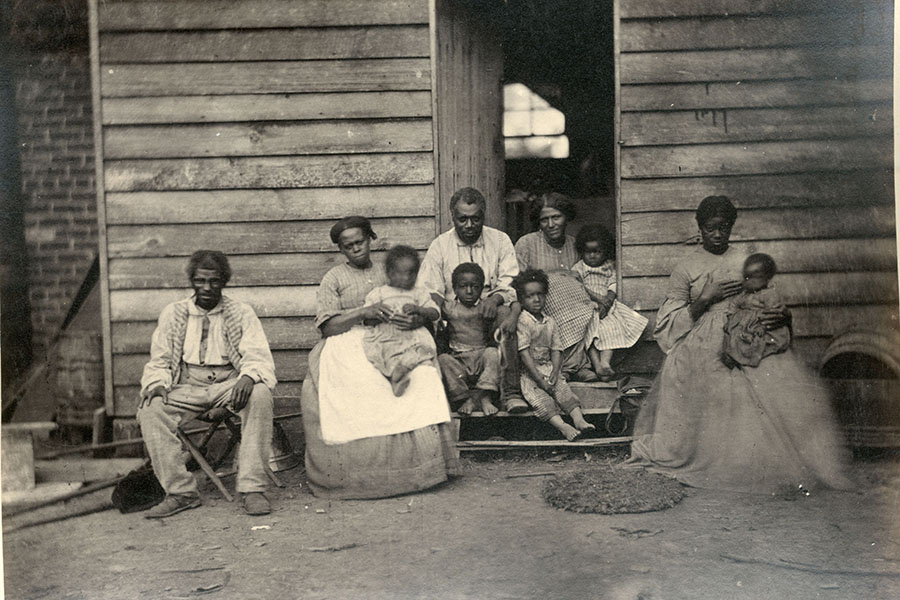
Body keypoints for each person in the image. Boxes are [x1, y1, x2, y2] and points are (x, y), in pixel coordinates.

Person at [627, 196, 852, 494]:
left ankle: (758, 463)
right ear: (699, 228)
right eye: (710, 228)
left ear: (732, 226)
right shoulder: (686, 267)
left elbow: (768, 295)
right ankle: (710, 456)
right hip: (701, 337)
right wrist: (706, 298)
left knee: (773, 380)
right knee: (706, 374)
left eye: (724, 228)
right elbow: (667, 326)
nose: (718, 234)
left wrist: (782, 315)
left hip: (747, 332)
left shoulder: (744, 257)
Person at [301, 216, 459, 499]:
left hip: (397, 337)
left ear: (370, 239)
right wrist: (362, 313)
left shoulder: (393, 269)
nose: (356, 249)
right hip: (348, 341)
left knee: (422, 376)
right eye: (348, 246)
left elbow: (422, 300)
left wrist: (415, 318)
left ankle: (422, 469)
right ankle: (359, 476)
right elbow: (327, 326)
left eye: (360, 242)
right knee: (362, 382)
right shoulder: (334, 278)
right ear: (341, 249)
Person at [137, 250, 277, 518]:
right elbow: (161, 359)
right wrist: (157, 384)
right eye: (200, 281)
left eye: (214, 281)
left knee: (259, 394)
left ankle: (252, 488)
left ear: (223, 281)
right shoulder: (174, 313)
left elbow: (258, 355)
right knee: (151, 408)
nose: (207, 288)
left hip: (228, 383)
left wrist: (248, 377)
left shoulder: (240, 313)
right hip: (188, 384)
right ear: (192, 281)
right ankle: (181, 492)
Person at [420, 187, 528, 413]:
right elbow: (431, 288)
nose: (469, 225)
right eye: (462, 219)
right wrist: (437, 312)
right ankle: (450, 398)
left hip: (489, 313)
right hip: (454, 316)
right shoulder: (440, 245)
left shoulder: (499, 240)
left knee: (504, 315)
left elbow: (510, 279)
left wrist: (496, 298)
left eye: (475, 218)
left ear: (483, 216)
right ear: (453, 216)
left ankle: (510, 393)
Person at [514, 192, 596, 381]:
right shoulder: (526, 244)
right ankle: (568, 368)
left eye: (556, 217)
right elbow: (520, 282)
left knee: (586, 309)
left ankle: (577, 366)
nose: (551, 225)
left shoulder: (575, 245)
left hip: (575, 303)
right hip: (541, 304)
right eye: (544, 220)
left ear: (566, 216)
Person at [514, 269, 596, 441]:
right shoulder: (523, 321)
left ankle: (579, 420)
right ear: (521, 299)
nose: (536, 299)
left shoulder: (550, 321)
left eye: (540, 294)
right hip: (530, 374)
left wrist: (555, 372)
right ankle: (563, 426)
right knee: (541, 399)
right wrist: (539, 379)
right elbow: (524, 353)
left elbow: (556, 349)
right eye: (530, 296)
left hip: (549, 368)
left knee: (563, 390)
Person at [572, 224, 648, 381]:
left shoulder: (608, 266)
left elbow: (614, 283)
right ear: (582, 251)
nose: (592, 256)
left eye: (597, 251)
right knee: (589, 333)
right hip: (587, 305)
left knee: (612, 329)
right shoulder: (579, 268)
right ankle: (597, 365)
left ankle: (605, 363)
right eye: (588, 252)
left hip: (607, 307)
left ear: (604, 251)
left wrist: (609, 298)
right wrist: (598, 299)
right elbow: (578, 287)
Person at [362, 245, 440, 396]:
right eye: (401, 273)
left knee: (425, 352)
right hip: (388, 336)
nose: (407, 278)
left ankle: (401, 372)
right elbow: (366, 319)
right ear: (390, 273)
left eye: (412, 273)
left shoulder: (419, 293)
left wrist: (419, 310)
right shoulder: (379, 293)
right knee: (386, 355)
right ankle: (395, 379)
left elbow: (435, 313)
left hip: (413, 336)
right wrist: (377, 315)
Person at [437, 263, 504, 416]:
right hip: (459, 359)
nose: (469, 291)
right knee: (443, 360)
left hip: (481, 357)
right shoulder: (449, 307)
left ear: (481, 288)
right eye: (463, 286)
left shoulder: (484, 307)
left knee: (493, 353)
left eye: (474, 287)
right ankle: (464, 399)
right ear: (454, 288)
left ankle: (485, 397)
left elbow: (511, 302)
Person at [721, 253, 791, 368]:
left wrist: (763, 327)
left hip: (760, 325)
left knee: (757, 342)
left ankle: (748, 358)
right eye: (746, 277)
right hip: (744, 325)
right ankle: (733, 356)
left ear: (767, 278)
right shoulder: (744, 294)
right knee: (734, 337)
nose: (747, 281)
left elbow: (772, 314)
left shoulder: (769, 295)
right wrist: (730, 317)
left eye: (753, 278)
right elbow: (735, 304)